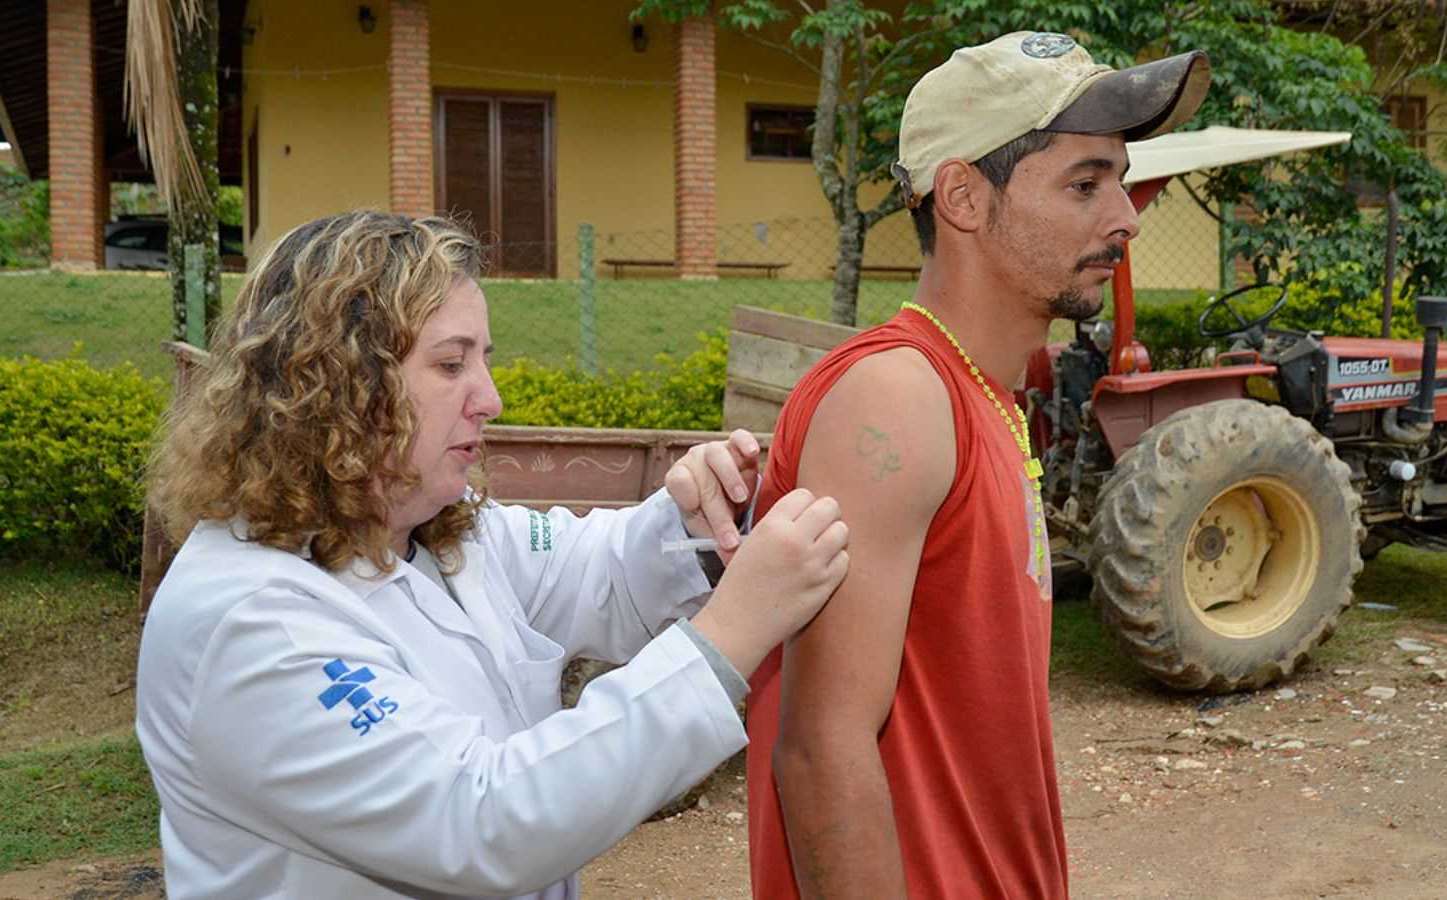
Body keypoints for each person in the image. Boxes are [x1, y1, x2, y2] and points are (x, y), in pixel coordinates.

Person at [135, 209, 850, 900]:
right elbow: (480, 821)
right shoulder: (249, 623)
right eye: (450, 365)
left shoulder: (436, 536)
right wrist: (732, 632)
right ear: (333, 386)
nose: (491, 399)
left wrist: (701, 525)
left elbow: (600, 571)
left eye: (484, 360)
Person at [745, 32, 1210, 899]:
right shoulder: (898, 400)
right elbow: (820, 753)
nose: (1127, 216)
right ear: (962, 195)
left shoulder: (989, 398)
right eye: (1085, 183)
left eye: (1119, 177)